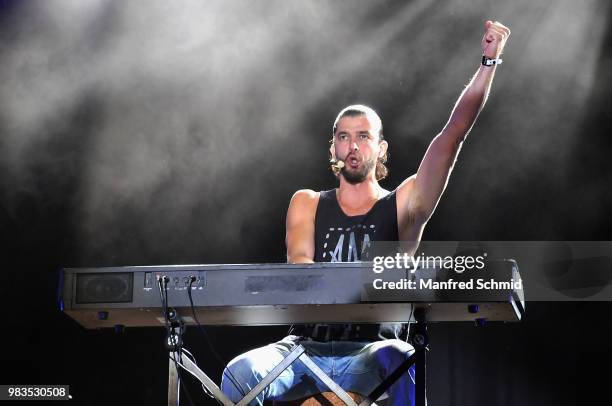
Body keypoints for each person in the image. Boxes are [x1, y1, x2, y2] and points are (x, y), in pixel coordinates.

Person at [221, 20, 511, 405]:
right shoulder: (306, 202)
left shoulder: (405, 204)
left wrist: (488, 64)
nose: (352, 145)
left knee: (405, 358)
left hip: (370, 351)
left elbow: (452, 134)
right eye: (343, 136)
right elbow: (302, 272)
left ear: (381, 148)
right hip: (303, 350)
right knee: (238, 373)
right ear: (333, 148)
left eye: (363, 136)